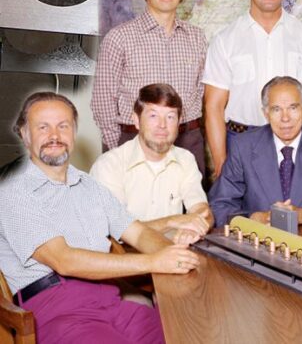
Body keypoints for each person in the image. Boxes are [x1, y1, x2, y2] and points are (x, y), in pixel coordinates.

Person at [0, 92, 200, 343]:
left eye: (63, 126)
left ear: (74, 132)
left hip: (109, 297)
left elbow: (137, 232)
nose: (54, 136)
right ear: (24, 135)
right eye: (43, 127)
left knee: (180, 333)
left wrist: (175, 256)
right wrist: (154, 262)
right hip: (57, 308)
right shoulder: (13, 190)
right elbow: (64, 260)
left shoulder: (89, 185)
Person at [203, 0, 302, 179]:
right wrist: (222, 162)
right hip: (241, 143)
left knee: (293, 212)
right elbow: (213, 107)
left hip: (297, 143)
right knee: (246, 215)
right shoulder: (225, 40)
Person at [91, 0, 208, 175]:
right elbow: (103, 100)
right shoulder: (119, 37)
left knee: (189, 207)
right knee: (135, 208)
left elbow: (201, 91)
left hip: (186, 141)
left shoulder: (197, 37)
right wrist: (119, 149)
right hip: (134, 139)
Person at [209, 76, 302, 227]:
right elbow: (219, 206)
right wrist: (253, 219)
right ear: (265, 113)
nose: (285, 118)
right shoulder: (243, 146)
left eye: (293, 108)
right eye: (276, 109)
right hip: (258, 244)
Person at [90, 83, 213, 241]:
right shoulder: (109, 164)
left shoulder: (186, 159)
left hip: (172, 253)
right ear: (136, 120)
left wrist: (193, 228)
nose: (162, 125)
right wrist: (172, 222)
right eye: (153, 115)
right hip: (124, 257)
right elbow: (114, 230)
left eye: (170, 117)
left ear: (179, 122)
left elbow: (203, 212)